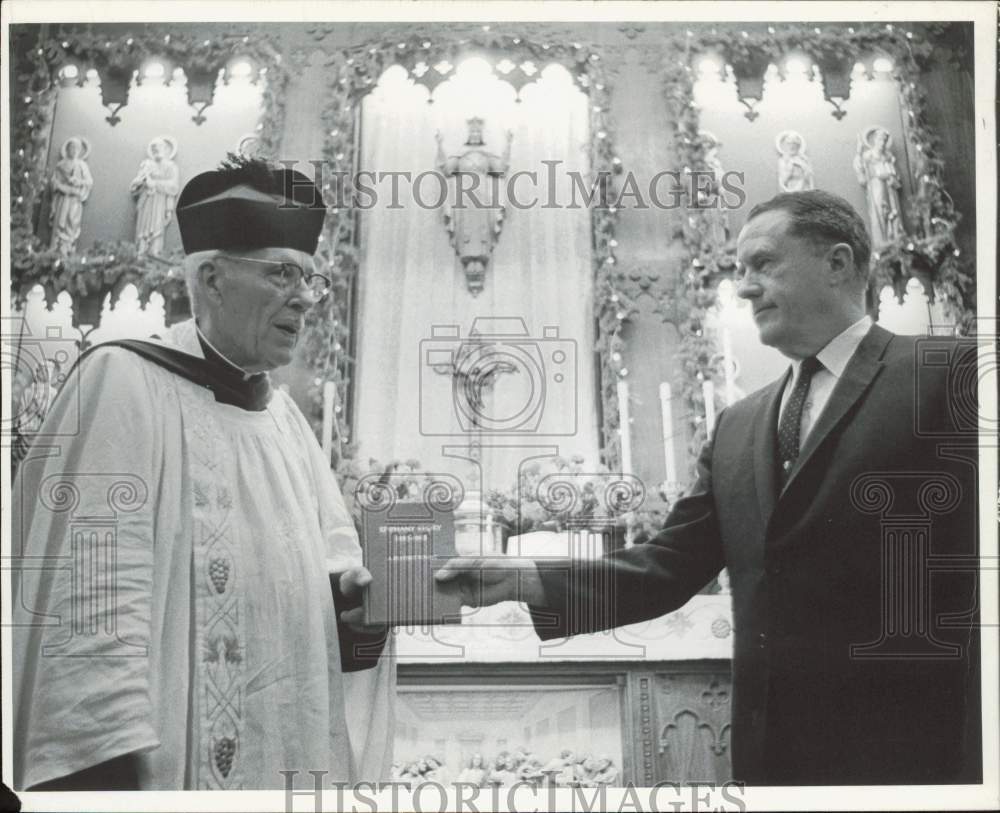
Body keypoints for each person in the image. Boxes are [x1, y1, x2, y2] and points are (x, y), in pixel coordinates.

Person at [438, 189, 980, 785]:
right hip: (775, 757)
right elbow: (670, 565)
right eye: (740, 269)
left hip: (919, 751)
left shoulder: (950, 374)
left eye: (764, 264)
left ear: (839, 263)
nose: (744, 287)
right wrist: (521, 580)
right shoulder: (738, 424)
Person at [12, 155, 393, 791]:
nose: (305, 298)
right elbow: (91, 610)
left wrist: (353, 610)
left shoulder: (284, 422)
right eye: (282, 274)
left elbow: (318, 627)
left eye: (312, 280)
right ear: (212, 279)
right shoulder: (122, 385)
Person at [130, 135, 181, 256]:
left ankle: (154, 253)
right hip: (145, 202)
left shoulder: (170, 166)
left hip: (159, 203)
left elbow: (173, 186)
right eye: (153, 149)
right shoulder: (147, 166)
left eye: (158, 148)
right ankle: (140, 253)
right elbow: (134, 186)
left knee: (156, 231)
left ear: (165, 149)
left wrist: (154, 183)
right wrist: (140, 183)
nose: (155, 151)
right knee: (142, 231)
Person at [853, 125, 903, 247]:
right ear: (874, 140)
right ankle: (882, 243)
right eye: (880, 140)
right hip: (876, 188)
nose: (883, 143)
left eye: (885, 141)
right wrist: (859, 151)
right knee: (880, 213)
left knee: (893, 213)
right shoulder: (868, 155)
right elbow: (860, 167)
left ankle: (896, 240)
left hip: (890, 188)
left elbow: (896, 173)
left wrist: (893, 177)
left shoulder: (888, 157)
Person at [48, 135, 94, 255]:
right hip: (62, 200)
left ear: (79, 151)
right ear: (67, 149)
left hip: (74, 200)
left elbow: (89, 182)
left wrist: (78, 182)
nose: (73, 151)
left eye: (76, 149)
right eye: (71, 148)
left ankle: (68, 249)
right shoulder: (61, 165)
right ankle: (56, 249)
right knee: (59, 224)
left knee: (72, 224)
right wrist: (59, 187)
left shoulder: (82, 165)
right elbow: (54, 181)